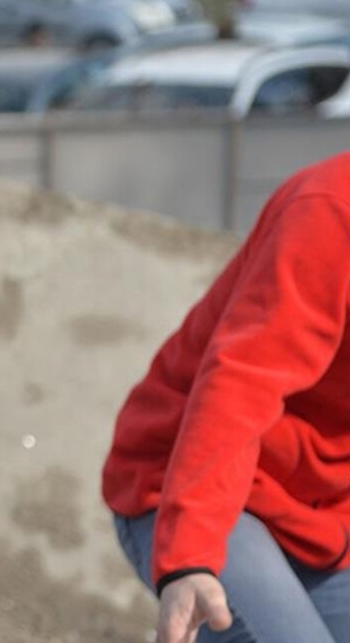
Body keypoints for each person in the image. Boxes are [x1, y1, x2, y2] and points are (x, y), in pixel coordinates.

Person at [102, 150, 350, 643]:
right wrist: (189, 558)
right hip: (195, 487)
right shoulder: (329, 210)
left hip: (321, 514)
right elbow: (240, 385)